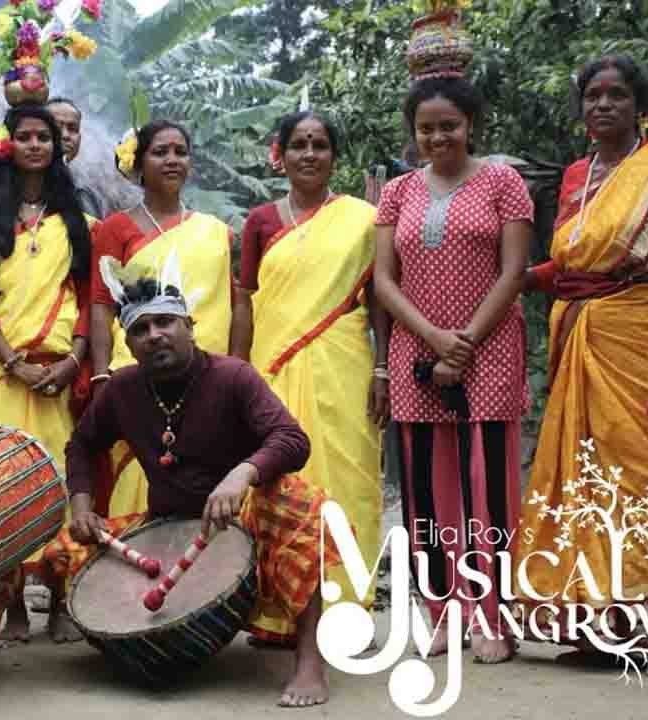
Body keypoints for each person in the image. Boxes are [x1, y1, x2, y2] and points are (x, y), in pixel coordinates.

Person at [47, 268, 334, 707]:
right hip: (166, 527)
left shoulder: (233, 376)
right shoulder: (122, 390)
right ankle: (139, 644)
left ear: (189, 327)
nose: (155, 335)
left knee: (301, 504)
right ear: (127, 343)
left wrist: (242, 474)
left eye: (166, 322)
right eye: (141, 329)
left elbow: (292, 440)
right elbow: (82, 447)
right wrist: (83, 508)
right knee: (67, 547)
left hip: (242, 522)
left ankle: (309, 657)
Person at [514, 54, 648, 672]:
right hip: (579, 335)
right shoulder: (576, 176)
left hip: (645, 336)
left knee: (646, 477)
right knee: (582, 479)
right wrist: (504, 282)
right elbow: (567, 268)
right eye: (593, 95)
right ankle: (597, 624)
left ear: (638, 104)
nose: (602, 105)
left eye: (616, 95)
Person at [373, 70, 533, 663]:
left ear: (471, 125)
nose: (438, 138)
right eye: (426, 128)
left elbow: (513, 271)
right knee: (424, 491)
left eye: (449, 126)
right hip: (416, 348)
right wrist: (435, 338)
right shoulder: (397, 192)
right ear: (413, 133)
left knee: (487, 488)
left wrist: (463, 340)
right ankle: (442, 612)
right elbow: (385, 280)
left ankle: (494, 616)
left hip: (488, 349)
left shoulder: (503, 182)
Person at [231, 111, 388, 640]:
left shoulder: (363, 220)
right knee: (277, 484)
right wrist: (236, 375)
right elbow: (246, 304)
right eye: (299, 144)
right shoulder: (259, 222)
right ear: (281, 154)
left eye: (320, 144)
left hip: (344, 362)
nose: (309, 154)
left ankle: (345, 609)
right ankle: (275, 613)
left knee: (349, 480)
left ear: (333, 156)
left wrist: (383, 367)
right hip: (270, 370)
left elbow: (379, 300)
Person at [0, 104, 93, 643]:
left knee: (58, 486)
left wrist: (73, 359)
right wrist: (12, 361)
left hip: (58, 373)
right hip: (2, 370)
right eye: (25, 136)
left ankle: (61, 601)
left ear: (57, 148)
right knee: (5, 489)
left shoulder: (75, 222)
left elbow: (90, 297)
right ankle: (13, 604)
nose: (36, 145)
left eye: (44, 137)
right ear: (7, 144)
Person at [91, 120, 234, 519]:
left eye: (180, 151)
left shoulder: (214, 232)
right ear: (138, 162)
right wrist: (102, 375)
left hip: (204, 375)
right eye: (160, 152)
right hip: (138, 371)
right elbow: (101, 305)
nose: (172, 160)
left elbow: (234, 303)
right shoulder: (115, 228)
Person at [46, 97, 104, 218]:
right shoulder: (12, 192)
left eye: (73, 129)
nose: (66, 135)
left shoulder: (86, 198)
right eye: (57, 127)